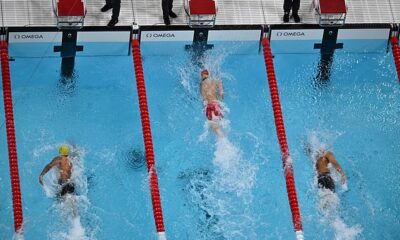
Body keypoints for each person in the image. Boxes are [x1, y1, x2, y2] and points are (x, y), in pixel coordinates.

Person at [200, 69, 224, 138]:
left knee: (214, 126)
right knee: (220, 123)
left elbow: (203, 99)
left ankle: (223, 141)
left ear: (202, 76)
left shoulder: (202, 84)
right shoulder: (215, 81)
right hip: (216, 104)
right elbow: (221, 93)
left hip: (209, 106)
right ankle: (222, 139)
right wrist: (221, 94)